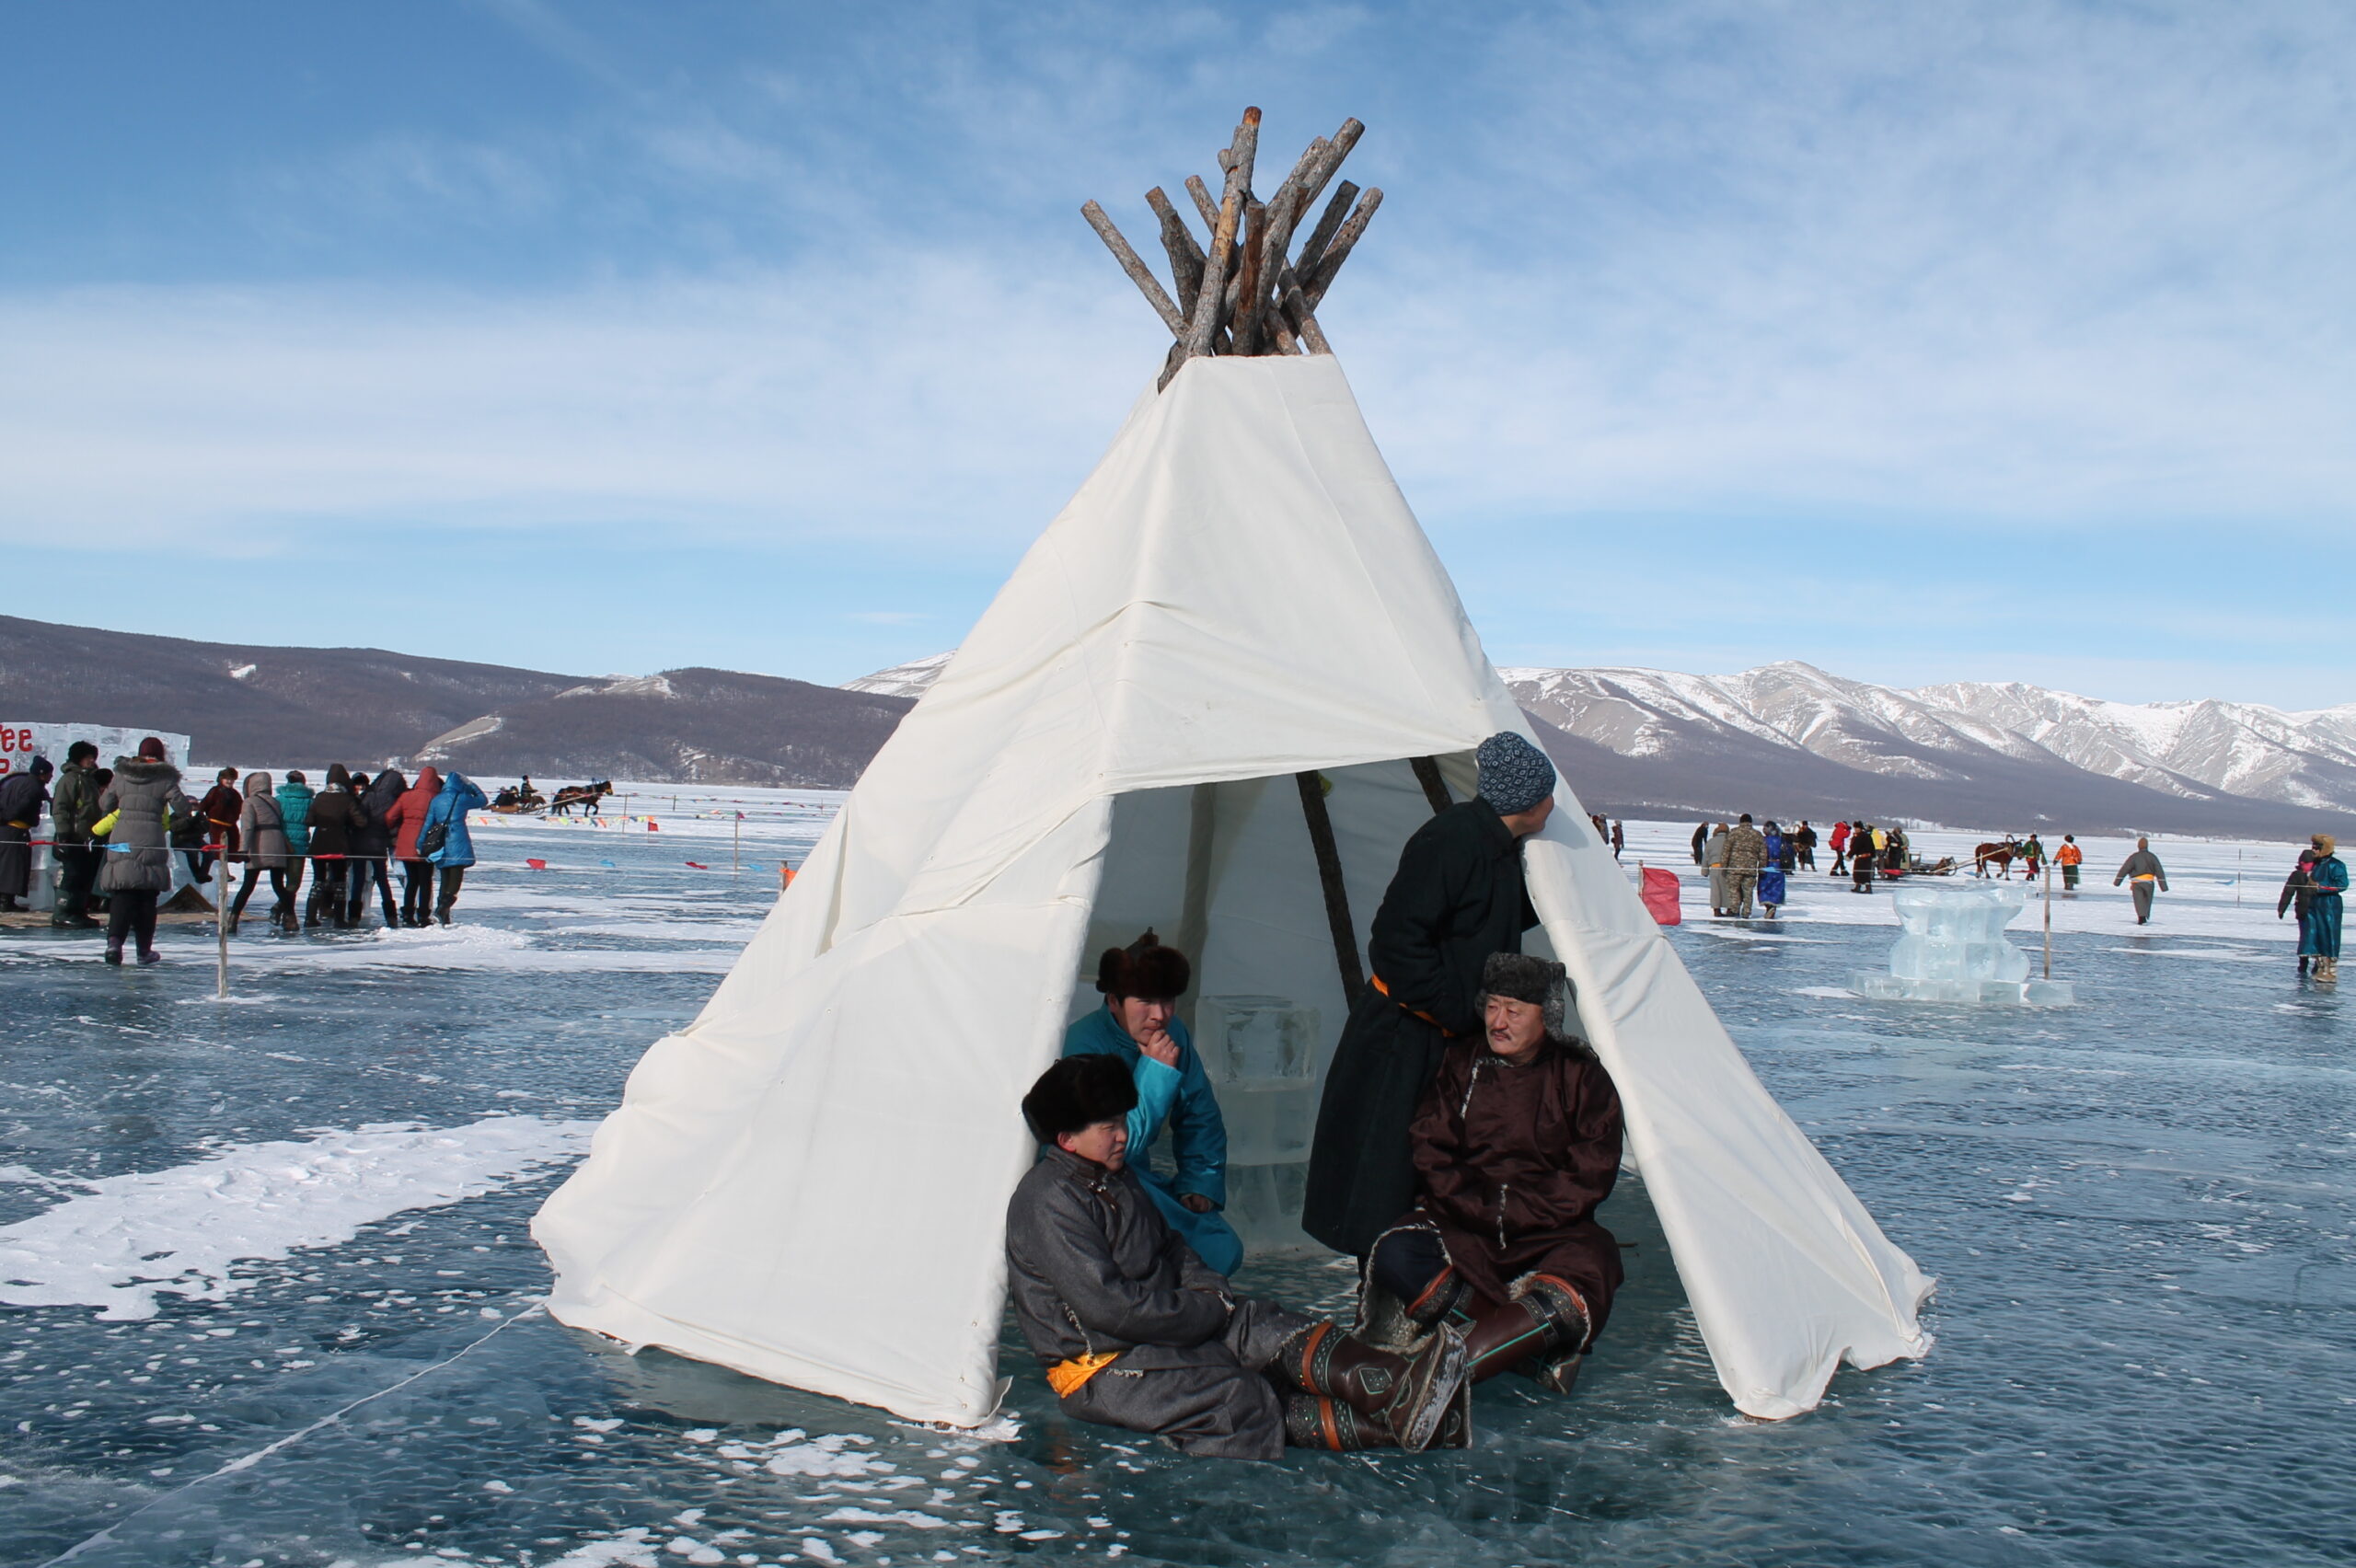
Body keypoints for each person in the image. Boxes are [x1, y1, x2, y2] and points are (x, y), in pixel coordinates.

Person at [1007, 1055, 1470, 1458]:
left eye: (1123, 1122)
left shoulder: (1115, 1176)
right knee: (1237, 1396)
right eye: (1109, 1127)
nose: (1123, 1135)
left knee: (1266, 1325)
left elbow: (1170, 1245)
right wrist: (1204, 1308)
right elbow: (1113, 1309)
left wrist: (1206, 1288)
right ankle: (1406, 1429)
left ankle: (1398, 1387)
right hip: (1106, 1366)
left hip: (1164, 1328)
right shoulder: (1047, 1201)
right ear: (1067, 1139)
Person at [1303, 732, 1549, 1261]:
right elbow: (1396, 941)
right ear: (1528, 801)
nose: (1554, 804)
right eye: (1547, 794)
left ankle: (1429, 1283)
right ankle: (1385, 1291)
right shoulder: (1451, 842)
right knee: (1383, 1169)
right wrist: (1456, 1010)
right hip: (1403, 1032)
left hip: (1447, 1032)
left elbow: (1493, 920)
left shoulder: (1500, 850)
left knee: (1435, 1166)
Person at [1360, 955, 1623, 1398]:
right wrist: (1480, 1208)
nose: (1498, 1022)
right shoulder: (1462, 1063)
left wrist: (1518, 1212)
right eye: (1492, 1007)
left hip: (1551, 1231)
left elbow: (1590, 1172)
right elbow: (1431, 1144)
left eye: (1514, 1011)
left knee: (1589, 1272)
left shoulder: (1582, 1077)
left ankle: (1422, 1386)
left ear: (1548, 1017)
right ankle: (1527, 1354)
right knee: (1397, 1254)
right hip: (1465, 1223)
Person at [1063, 932, 1241, 1275]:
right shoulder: (1083, 1045)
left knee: (1222, 1249)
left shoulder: (1174, 1035)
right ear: (1114, 1001)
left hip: (1136, 1179)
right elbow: (1109, 1148)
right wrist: (1156, 1073)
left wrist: (1198, 1181)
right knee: (1171, 1259)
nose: (1160, 1014)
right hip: (1086, 1185)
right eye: (1145, 1000)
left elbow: (1199, 1114)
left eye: (1168, 1000)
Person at [94, 737, 192, 965]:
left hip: (122, 838)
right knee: (147, 896)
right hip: (150, 839)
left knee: (122, 892)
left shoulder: (122, 775)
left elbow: (104, 804)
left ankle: (114, 944)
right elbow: (183, 808)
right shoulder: (164, 778)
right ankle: (143, 950)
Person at [419, 770, 489, 924]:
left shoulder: (437, 800)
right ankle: (443, 908)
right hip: (458, 838)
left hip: (441, 841)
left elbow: (428, 823)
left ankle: (443, 914)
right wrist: (471, 785)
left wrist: (421, 843)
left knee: (444, 877)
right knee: (455, 878)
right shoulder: (462, 798)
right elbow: (483, 800)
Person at [229, 771, 294, 934]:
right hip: (277, 845)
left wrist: (243, 849)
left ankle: (232, 919)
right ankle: (291, 919)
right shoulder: (275, 802)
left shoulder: (249, 802)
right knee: (279, 885)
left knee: (248, 885)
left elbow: (247, 827)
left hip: (258, 845)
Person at [47, 743, 104, 928]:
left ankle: (79, 910)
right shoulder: (70, 779)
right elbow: (60, 808)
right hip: (72, 836)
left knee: (85, 875)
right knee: (72, 874)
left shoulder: (89, 779)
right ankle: (62, 911)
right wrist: (63, 835)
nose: (92, 761)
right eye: (88, 757)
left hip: (88, 837)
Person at [302, 765, 364, 928]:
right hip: (339, 844)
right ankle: (338, 919)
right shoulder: (347, 799)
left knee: (318, 880)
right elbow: (361, 822)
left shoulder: (320, 797)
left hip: (319, 844)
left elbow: (309, 821)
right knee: (339, 882)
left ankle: (310, 917)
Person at [386, 765, 444, 927]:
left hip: (405, 843)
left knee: (411, 881)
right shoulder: (437, 799)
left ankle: (407, 914)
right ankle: (424, 915)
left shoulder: (406, 796)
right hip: (427, 845)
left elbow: (390, 817)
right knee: (426, 881)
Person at [348, 768, 406, 928]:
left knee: (358, 881)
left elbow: (357, 817)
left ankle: (354, 916)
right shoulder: (393, 800)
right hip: (379, 845)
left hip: (360, 843)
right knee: (382, 881)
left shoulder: (367, 796)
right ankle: (391, 916)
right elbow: (392, 822)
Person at [0, 755, 51, 913]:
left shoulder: (16, 782)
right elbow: (22, 805)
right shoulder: (33, 786)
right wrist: (6, 817)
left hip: (6, 830)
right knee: (13, 866)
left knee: (6, 865)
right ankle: (6, 900)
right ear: (42, 774)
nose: (50, 778)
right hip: (16, 829)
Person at [2300, 835, 2344, 983]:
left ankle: (2330, 971)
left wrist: (2321, 887)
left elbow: (2342, 884)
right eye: (2312, 846)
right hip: (2315, 905)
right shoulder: (2317, 865)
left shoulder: (2336, 865)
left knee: (2328, 936)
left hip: (2330, 906)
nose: (2313, 850)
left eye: (2316, 847)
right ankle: (2320, 968)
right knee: (2314, 936)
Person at [276, 769, 315, 923]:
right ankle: (283, 910)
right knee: (293, 882)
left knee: (279, 881)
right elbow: (312, 821)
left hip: (281, 844)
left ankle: (284, 910)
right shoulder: (309, 801)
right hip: (300, 845)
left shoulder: (279, 799)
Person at [195, 767, 242, 887]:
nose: (230, 782)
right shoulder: (215, 791)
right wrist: (201, 820)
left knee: (229, 850)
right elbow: (204, 805)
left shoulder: (235, 794)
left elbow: (239, 808)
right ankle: (220, 873)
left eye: (232, 779)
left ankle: (225, 873)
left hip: (230, 827)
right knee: (218, 850)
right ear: (221, 779)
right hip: (215, 826)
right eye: (227, 779)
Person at [2280, 848, 2320, 974]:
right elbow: (2288, 892)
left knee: (2318, 938)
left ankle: (2318, 964)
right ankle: (2303, 964)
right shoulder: (2296, 875)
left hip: (2318, 912)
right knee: (2306, 937)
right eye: (2306, 864)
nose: (2309, 866)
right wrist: (2282, 909)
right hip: (2303, 911)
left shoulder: (2318, 875)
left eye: (2310, 864)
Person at [2114, 837, 2168, 925]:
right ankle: (2145, 916)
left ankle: (2141, 918)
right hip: (2149, 883)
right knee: (2147, 901)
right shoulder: (2152, 857)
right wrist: (2163, 886)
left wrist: (2118, 881)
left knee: (2139, 901)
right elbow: (2159, 871)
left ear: (2138, 846)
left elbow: (2125, 869)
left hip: (2137, 883)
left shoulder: (2134, 857)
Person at [1724, 814, 1767, 917]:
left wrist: (1724, 866)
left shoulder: (1734, 833)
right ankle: (1747, 911)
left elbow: (1726, 851)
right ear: (1750, 822)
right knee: (1748, 891)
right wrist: (1761, 867)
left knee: (1734, 889)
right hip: (1750, 868)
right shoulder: (1757, 835)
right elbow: (1763, 853)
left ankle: (1734, 909)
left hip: (1734, 868)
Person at [1703, 823, 1730, 915]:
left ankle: (1716, 910)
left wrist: (1705, 871)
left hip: (1714, 868)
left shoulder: (1711, 842)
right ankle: (1730, 909)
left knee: (1715, 890)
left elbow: (1706, 857)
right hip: (1727, 869)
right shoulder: (1730, 841)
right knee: (1727, 889)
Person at [1850, 822, 1876, 893]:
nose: (1856, 829)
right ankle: (1858, 886)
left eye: (1857, 828)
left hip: (1863, 857)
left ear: (1860, 828)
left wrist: (1849, 855)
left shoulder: (1860, 836)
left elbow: (1855, 848)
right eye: (1855, 828)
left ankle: (1868, 888)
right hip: (1862, 857)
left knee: (1863, 873)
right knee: (1858, 873)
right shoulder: (1864, 836)